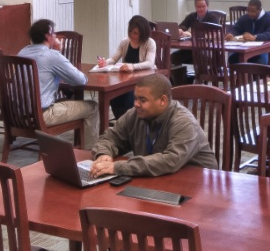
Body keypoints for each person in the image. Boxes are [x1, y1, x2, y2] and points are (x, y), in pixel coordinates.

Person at [88, 73, 218, 178]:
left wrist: (117, 167)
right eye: (135, 98)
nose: (136, 104)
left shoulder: (184, 122)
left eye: (142, 100)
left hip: (197, 184)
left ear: (163, 100)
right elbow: (111, 137)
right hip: (159, 178)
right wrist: (104, 154)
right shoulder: (135, 114)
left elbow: (170, 161)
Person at [18, 19, 101, 146]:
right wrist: (57, 51)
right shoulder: (51, 55)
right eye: (54, 33)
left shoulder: (23, 52)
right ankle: (90, 154)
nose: (56, 36)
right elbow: (81, 80)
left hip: (19, 115)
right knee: (92, 107)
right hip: (42, 115)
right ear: (48, 36)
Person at [99, 16, 157, 118]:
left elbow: (149, 63)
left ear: (143, 33)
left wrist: (133, 66)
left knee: (129, 95)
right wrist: (105, 62)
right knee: (114, 94)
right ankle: (121, 121)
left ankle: (131, 121)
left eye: (135, 33)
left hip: (143, 79)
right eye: (130, 32)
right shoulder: (125, 42)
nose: (132, 35)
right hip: (126, 78)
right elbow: (114, 58)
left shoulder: (150, 43)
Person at [226, 0, 270, 64]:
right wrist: (231, 34)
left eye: (253, 11)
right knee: (233, 59)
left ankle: (257, 74)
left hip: (267, 50)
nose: (250, 13)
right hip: (248, 49)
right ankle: (241, 74)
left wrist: (255, 37)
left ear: (260, 10)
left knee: (259, 61)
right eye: (248, 11)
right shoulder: (245, 18)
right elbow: (236, 28)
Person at [173, 0, 221, 65]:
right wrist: (180, 30)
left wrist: (192, 34)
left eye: (203, 6)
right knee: (173, 57)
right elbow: (183, 25)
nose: (201, 9)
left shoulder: (213, 17)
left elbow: (212, 33)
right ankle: (180, 75)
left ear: (207, 6)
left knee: (199, 58)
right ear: (195, 7)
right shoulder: (192, 16)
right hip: (191, 48)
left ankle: (201, 75)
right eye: (198, 7)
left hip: (207, 49)